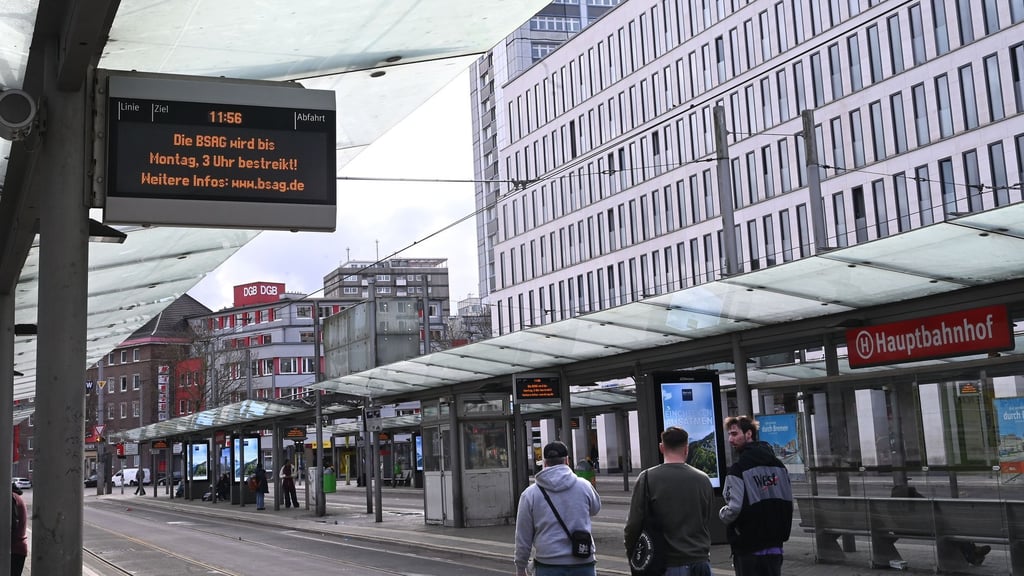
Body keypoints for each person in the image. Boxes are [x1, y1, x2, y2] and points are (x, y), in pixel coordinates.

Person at [625, 427, 714, 576]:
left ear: (661, 447)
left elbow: (633, 526)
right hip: (700, 562)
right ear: (686, 449)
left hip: (665, 564)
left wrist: (633, 555)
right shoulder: (703, 479)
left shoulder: (647, 478)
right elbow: (706, 518)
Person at [719, 416, 793, 576]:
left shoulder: (738, 469)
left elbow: (734, 508)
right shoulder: (779, 466)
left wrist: (722, 514)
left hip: (748, 546)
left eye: (734, 434)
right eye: (729, 435)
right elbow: (787, 501)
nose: (730, 439)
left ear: (749, 434)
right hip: (775, 544)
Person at [515, 440, 601, 576]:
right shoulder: (584, 486)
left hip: (547, 565)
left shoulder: (530, 494)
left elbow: (523, 536)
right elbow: (595, 509)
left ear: (544, 463)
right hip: (582, 562)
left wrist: (521, 567)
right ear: (567, 460)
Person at [891, 484, 991, 566]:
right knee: (952, 531)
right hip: (926, 530)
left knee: (950, 530)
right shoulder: (916, 499)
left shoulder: (890, 504)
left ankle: (974, 551)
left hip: (902, 530)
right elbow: (933, 507)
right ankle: (973, 554)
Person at [11, 482, 28, 576]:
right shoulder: (14, 496)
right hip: (16, 549)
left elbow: (11, 525)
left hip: (13, 550)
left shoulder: (10, 498)